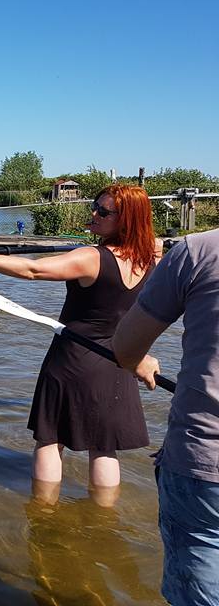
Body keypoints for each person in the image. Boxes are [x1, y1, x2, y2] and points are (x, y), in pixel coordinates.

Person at [0, 184, 159, 503]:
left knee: (49, 438)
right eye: (95, 207)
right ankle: (103, 518)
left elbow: (33, 269)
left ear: (126, 219)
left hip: (73, 359)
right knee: (104, 445)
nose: (93, 214)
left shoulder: (91, 257)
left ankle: (43, 514)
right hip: (121, 359)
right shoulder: (149, 259)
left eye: (103, 211)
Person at [112, 227, 219, 606]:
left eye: (104, 211)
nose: (95, 215)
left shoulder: (198, 250)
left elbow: (125, 347)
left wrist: (139, 360)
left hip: (204, 466)